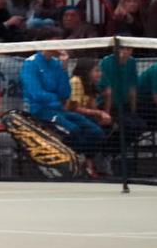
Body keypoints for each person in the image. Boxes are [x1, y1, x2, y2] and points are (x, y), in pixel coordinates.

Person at [20, 40, 104, 175]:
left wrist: (64, 68)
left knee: (95, 131)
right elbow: (35, 93)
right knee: (73, 130)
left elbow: (65, 93)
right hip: (39, 110)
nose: (60, 46)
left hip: (59, 109)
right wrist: (56, 99)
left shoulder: (57, 64)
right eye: (56, 42)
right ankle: (73, 161)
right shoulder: (31, 63)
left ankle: (81, 158)